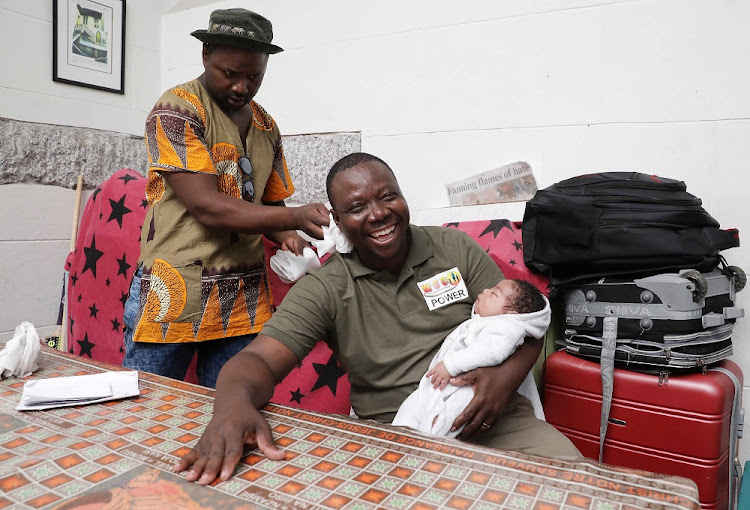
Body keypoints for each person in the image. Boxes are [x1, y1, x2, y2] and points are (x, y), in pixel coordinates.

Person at [173, 152, 580, 485]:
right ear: (336, 218)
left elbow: (527, 322)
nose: (378, 214)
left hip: (499, 420)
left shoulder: (453, 248)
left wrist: (503, 382)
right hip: (399, 437)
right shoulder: (328, 287)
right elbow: (258, 360)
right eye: (356, 207)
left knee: (580, 489)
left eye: (388, 197)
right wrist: (230, 406)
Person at [122, 8, 330, 388]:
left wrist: (293, 240)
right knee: (149, 409)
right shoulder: (176, 110)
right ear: (206, 55)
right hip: (174, 292)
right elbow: (208, 207)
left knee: (232, 410)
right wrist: (294, 218)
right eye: (230, 74)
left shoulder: (266, 125)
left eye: (254, 76)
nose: (241, 86)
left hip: (242, 299)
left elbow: (269, 204)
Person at [392, 279, 550, 438]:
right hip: (436, 385)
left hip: (465, 389)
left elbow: (492, 352)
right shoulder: (483, 322)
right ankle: (396, 439)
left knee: (443, 421)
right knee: (409, 411)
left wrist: (450, 366)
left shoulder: (507, 328)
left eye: (494, 293)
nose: (486, 290)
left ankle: (428, 447)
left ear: (510, 314)